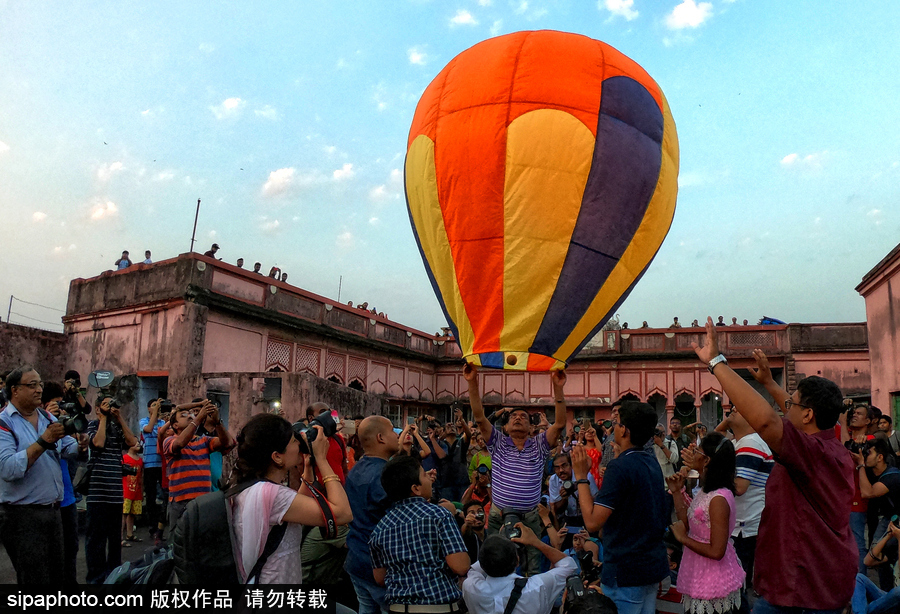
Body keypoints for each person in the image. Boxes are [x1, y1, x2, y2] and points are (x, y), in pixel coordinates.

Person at [694, 317, 856, 612]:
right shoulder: (829, 446)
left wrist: (717, 363)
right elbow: (792, 412)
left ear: (808, 415)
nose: (785, 408)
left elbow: (768, 421)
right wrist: (769, 383)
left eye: (791, 404)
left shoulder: (811, 452)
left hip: (802, 588)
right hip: (814, 580)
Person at [466, 363, 567, 576]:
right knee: (494, 560)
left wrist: (558, 388)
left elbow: (559, 424)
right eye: (513, 416)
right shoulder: (498, 442)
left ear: (531, 428)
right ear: (505, 427)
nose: (518, 417)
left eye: (523, 417)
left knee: (533, 566)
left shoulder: (539, 444)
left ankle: (529, 593)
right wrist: (472, 382)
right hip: (499, 514)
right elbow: (480, 418)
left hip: (530, 515)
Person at [229, 412, 352, 584]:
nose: (300, 443)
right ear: (277, 456)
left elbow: (291, 508)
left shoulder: (255, 487)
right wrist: (322, 460)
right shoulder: (273, 494)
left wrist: (308, 468)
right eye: (294, 440)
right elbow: (343, 514)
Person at [573, 401, 670, 614]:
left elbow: (592, 522)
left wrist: (581, 476)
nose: (614, 427)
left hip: (626, 571)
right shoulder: (650, 461)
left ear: (624, 430)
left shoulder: (620, 467)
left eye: (616, 423)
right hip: (649, 566)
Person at [0, 367, 80, 585]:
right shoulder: (4, 423)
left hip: (52, 511)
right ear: (15, 390)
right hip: (22, 516)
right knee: (34, 581)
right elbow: (8, 469)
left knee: (56, 577)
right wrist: (44, 441)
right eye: (32, 385)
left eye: (40, 384)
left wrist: (81, 445)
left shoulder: (46, 416)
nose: (39, 390)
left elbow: (67, 446)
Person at [369, 454, 470, 611]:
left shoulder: (380, 529)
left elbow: (380, 578)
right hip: (438, 607)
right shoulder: (439, 515)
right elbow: (461, 566)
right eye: (424, 475)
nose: (429, 478)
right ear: (416, 488)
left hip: (398, 608)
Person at [667, 432, 745, 614]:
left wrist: (683, 539)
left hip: (713, 578)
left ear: (707, 460)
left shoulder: (718, 498)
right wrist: (677, 492)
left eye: (697, 452)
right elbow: (688, 523)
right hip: (699, 571)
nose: (693, 455)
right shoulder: (706, 491)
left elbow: (717, 551)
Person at [715, 406, 772, 613]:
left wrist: (710, 474)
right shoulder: (738, 443)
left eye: (738, 409)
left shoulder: (750, 443)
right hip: (743, 523)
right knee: (738, 582)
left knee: (737, 583)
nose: (732, 410)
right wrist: (730, 419)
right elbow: (714, 439)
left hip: (745, 526)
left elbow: (739, 487)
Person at [344, 416, 401, 614]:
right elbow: (399, 521)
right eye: (393, 431)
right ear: (380, 438)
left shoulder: (357, 469)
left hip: (357, 557)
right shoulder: (385, 476)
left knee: (366, 608)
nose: (397, 435)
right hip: (379, 566)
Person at [84, 394, 139, 583]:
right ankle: (96, 580)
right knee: (95, 540)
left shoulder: (117, 427)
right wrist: (103, 418)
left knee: (115, 541)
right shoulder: (92, 425)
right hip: (97, 493)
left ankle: (114, 577)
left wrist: (119, 417)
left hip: (115, 493)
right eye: (105, 404)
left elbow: (132, 442)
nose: (110, 406)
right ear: (97, 408)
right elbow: (98, 443)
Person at [462, 525, 577, 614]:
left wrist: (497, 544)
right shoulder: (536, 587)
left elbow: (474, 570)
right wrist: (535, 542)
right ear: (517, 561)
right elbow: (568, 565)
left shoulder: (471, 588)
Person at [163, 400, 234, 529]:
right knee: (180, 538)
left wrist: (217, 422)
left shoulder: (204, 440)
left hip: (203, 500)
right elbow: (179, 444)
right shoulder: (169, 440)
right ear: (175, 425)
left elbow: (226, 442)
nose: (190, 416)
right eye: (183, 415)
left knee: (202, 537)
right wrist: (198, 418)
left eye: (191, 414)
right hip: (181, 501)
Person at [41, 381, 83, 585]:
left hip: (66, 497)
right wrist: (47, 421)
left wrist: (80, 442)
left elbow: (71, 450)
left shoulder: (59, 423)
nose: (61, 408)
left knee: (71, 548)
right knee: (51, 555)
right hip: (47, 502)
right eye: (56, 403)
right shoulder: (36, 423)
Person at [852, 438, 900, 590]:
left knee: (879, 557)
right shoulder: (872, 471)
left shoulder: (892, 476)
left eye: (869, 453)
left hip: (895, 521)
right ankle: (886, 592)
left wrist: (860, 464)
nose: (866, 455)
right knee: (879, 558)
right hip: (888, 519)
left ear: (880, 457)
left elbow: (867, 493)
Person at [853, 521, 900, 613]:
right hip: (890, 599)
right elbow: (867, 561)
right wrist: (888, 535)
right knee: (859, 578)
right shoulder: (895, 545)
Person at [548, 452, 598, 531]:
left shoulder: (585, 476)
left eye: (564, 465)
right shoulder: (553, 480)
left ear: (571, 465)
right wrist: (565, 498)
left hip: (586, 518)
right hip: (566, 519)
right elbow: (555, 509)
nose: (561, 470)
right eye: (557, 468)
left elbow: (596, 502)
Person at [140, 398, 167, 543]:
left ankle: (161, 527)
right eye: (153, 405)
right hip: (149, 464)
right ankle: (152, 528)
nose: (157, 407)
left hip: (162, 464)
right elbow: (148, 429)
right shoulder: (143, 421)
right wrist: (155, 413)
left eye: (158, 405)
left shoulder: (163, 423)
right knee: (150, 497)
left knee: (164, 495)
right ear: (148, 409)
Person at [121, 440, 143, 546]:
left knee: (132, 513)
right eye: (135, 443)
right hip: (126, 491)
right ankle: (120, 537)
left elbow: (141, 476)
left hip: (136, 490)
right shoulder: (124, 458)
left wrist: (141, 489)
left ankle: (129, 534)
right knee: (124, 513)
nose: (138, 444)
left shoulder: (140, 460)